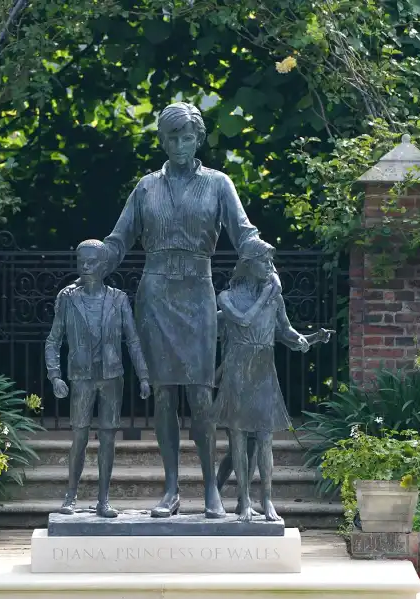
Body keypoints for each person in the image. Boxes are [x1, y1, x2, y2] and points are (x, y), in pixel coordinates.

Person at [100, 101, 274, 519]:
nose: (180, 145)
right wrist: (91, 263)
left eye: (188, 137)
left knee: (199, 393)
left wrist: (261, 251)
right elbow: (119, 240)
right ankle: (172, 488)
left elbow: (243, 232)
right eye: (172, 137)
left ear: (199, 140)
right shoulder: (146, 187)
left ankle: (212, 489)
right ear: (162, 140)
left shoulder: (218, 184)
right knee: (163, 395)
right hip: (156, 294)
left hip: (197, 291)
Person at [213, 238, 333, 522]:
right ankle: (243, 501)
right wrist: (268, 294)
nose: (270, 267)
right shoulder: (227, 297)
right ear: (248, 263)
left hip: (264, 368)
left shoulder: (273, 296)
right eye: (264, 261)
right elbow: (243, 320)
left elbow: (286, 331)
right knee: (239, 439)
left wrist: (309, 338)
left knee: (265, 439)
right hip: (238, 368)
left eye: (271, 261)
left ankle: (267, 500)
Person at [45, 239, 151, 518]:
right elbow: (53, 340)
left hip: (111, 376)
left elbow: (133, 340)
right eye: (82, 262)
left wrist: (143, 375)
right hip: (81, 377)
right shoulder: (68, 298)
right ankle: (71, 495)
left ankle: (104, 499)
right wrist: (55, 375)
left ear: (104, 266)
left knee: (108, 440)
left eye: (92, 262)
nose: (86, 266)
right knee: (78, 437)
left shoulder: (118, 299)